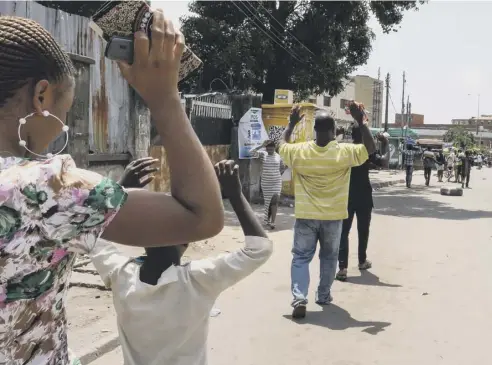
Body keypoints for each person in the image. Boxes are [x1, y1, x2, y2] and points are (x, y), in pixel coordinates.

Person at [0, 13, 225, 364]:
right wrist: (164, 96)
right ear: (41, 98)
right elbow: (202, 216)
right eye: (66, 109)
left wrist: (111, 193)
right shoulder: (47, 186)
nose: (61, 129)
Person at [90, 160, 272, 365]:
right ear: (187, 241)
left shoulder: (120, 275)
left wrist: (118, 192)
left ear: (140, 239)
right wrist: (236, 195)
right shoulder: (197, 280)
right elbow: (259, 249)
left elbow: (92, 233)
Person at [276, 101, 375, 319]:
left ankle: (300, 298)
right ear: (333, 131)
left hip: (305, 216)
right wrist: (360, 121)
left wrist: (291, 125)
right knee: (329, 258)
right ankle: (323, 295)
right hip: (333, 217)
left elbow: (280, 145)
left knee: (301, 258)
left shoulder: (300, 152)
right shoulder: (344, 152)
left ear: (314, 131)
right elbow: (371, 148)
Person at [336, 129, 390, 281]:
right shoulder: (366, 152)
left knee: (343, 232)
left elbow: (327, 148)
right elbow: (385, 162)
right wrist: (385, 144)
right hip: (364, 197)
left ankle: (342, 268)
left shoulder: (344, 150)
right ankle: (361, 261)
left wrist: (337, 134)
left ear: (351, 137)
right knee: (363, 231)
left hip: (346, 196)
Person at [251, 140, 285, 229]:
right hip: (266, 183)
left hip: (277, 182)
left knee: (275, 200)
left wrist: (278, 175)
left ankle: (273, 222)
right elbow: (251, 152)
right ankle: (267, 220)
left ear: (274, 148)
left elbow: (283, 167)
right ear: (266, 148)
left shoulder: (278, 156)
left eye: (272, 148)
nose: (270, 150)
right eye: (268, 148)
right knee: (268, 202)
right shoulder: (263, 154)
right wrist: (261, 145)